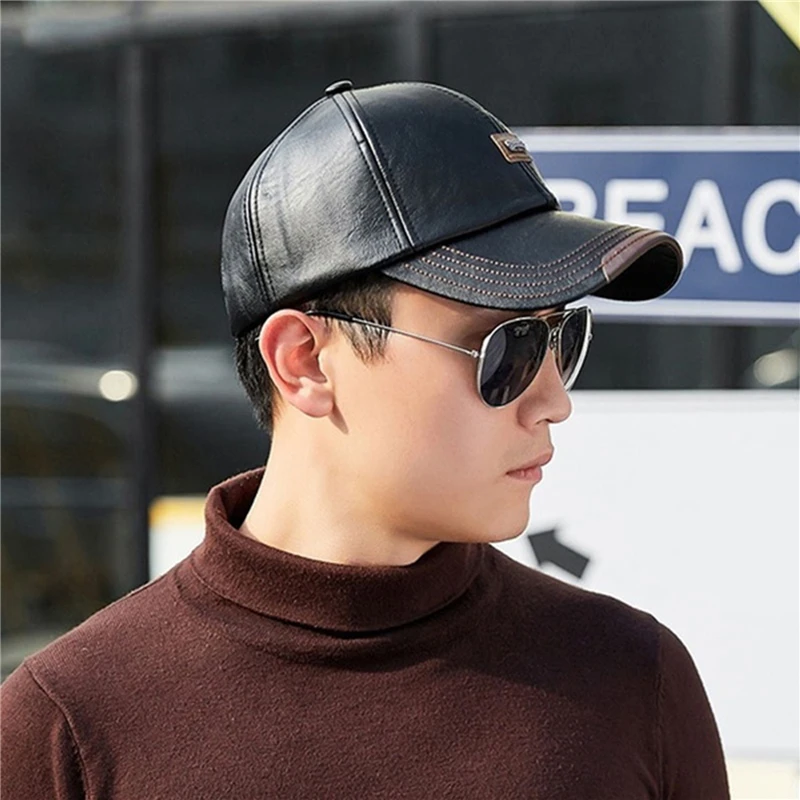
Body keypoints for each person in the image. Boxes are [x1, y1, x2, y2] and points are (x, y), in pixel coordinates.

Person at [1, 80, 729, 799]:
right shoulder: (67, 729)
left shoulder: (631, 681)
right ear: (305, 362)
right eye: (506, 348)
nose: (554, 401)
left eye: (560, 337)